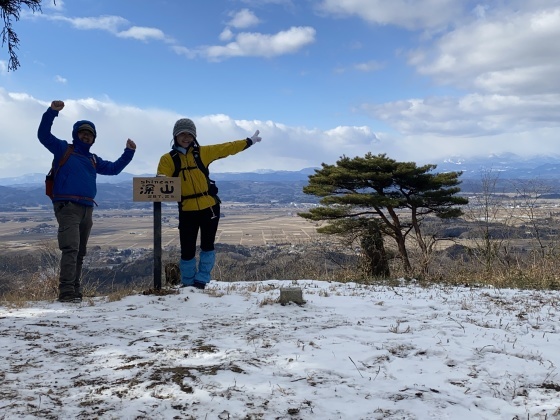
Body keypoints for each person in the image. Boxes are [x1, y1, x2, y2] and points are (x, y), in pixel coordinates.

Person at [38, 100, 137, 303]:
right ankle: (66, 292)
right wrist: (52, 112)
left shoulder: (92, 159)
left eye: (90, 134)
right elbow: (43, 135)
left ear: (93, 139)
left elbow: (114, 169)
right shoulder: (63, 149)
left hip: (86, 208)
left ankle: (75, 289)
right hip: (68, 207)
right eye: (83, 133)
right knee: (71, 249)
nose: (86, 136)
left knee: (80, 252)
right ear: (76, 134)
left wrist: (129, 153)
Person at [157, 118, 262, 289]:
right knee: (187, 249)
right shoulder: (168, 159)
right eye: (182, 134)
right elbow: (163, 176)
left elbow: (226, 148)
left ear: (194, 136)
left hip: (210, 207)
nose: (186, 137)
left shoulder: (202, 153)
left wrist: (249, 141)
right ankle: (188, 282)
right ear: (175, 136)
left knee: (207, 245)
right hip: (187, 208)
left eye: (190, 134)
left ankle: (202, 280)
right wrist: (161, 180)